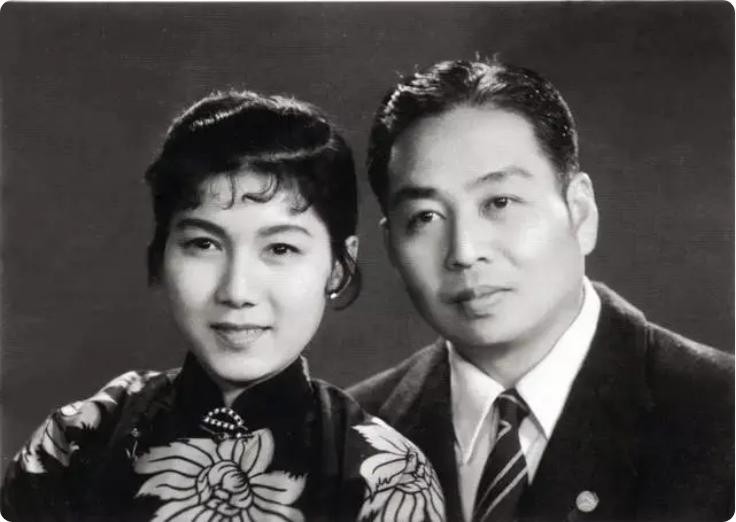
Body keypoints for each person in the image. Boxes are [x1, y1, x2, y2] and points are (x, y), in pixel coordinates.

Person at [1, 90, 445, 522]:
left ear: (338, 267)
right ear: (161, 253)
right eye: (203, 244)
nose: (236, 290)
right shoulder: (77, 440)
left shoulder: (387, 478)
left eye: (281, 249)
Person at [348, 58, 734, 522]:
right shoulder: (347, 439)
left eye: (499, 202)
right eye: (425, 217)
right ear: (391, 245)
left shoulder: (722, 412)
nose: (464, 252)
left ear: (580, 212)